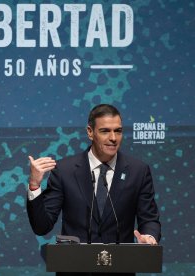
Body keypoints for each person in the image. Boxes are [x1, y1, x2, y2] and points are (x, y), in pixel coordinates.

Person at [26, 104, 161, 274]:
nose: (113, 138)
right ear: (90, 132)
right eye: (105, 131)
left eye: (118, 131)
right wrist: (34, 185)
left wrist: (149, 236)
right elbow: (42, 226)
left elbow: (149, 218)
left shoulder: (138, 171)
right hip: (74, 269)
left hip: (120, 270)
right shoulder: (65, 171)